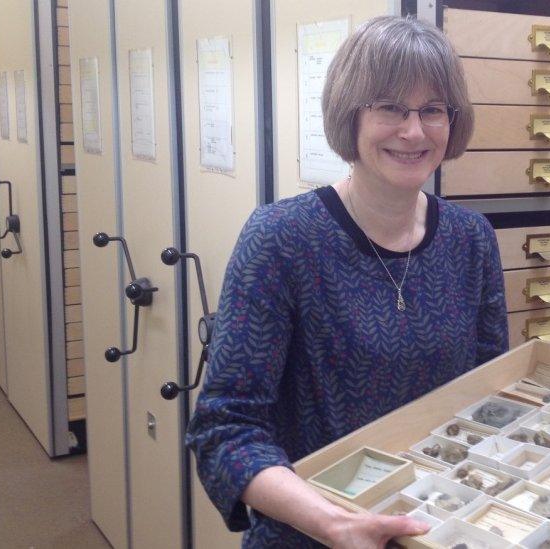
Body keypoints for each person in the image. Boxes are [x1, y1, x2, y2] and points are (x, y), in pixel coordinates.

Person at [185, 15, 508, 549]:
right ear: (349, 115)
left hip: (437, 526)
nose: (414, 131)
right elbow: (224, 430)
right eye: (389, 107)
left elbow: (485, 401)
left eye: (432, 110)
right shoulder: (282, 239)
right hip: (313, 533)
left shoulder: (470, 240)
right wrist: (334, 524)